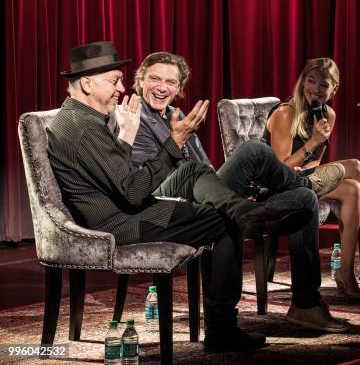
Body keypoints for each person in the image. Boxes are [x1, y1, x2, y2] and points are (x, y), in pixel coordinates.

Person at [47, 42, 330, 354]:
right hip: (124, 222)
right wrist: (173, 140)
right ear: (87, 84)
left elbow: (118, 175)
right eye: (115, 80)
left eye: (171, 82)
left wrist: (135, 140)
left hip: (131, 207)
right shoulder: (85, 126)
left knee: (196, 172)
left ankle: (247, 211)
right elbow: (133, 191)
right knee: (224, 217)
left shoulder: (84, 118)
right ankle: (222, 327)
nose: (120, 87)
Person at [130, 52, 350, 333]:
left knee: (304, 201)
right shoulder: (133, 116)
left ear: (179, 86)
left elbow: (203, 166)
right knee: (254, 151)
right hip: (173, 200)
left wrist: (227, 194)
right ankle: (302, 181)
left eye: (170, 82)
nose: (162, 87)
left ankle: (305, 305)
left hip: (205, 190)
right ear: (140, 80)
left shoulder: (176, 115)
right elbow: (148, 179)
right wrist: (178, 144)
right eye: (154, 79)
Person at [263, 58, 360, 300]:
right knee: (354, 166)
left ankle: (346, 273)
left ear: (335, 90)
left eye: (324, 85)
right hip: (276, 185)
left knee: (353, 188)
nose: (315, 89)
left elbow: (315, 163)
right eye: (310, 81)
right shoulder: (285, 112)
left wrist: (309, 162)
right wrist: (312, 141)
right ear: (302, 82)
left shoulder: (327, 114)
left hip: (302, 178)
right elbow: (279, 168)